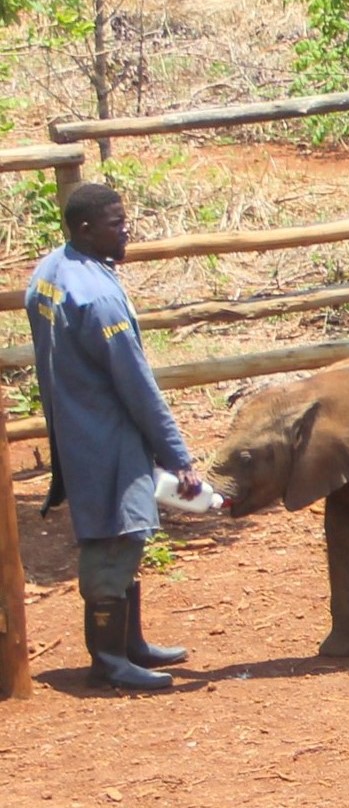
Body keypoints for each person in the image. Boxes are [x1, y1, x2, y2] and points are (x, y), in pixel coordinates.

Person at [25, 183, 208, 691]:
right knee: (115, 536)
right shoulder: (101, 298)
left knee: (125, 530)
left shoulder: (49, 272)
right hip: (106, 433)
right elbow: (137, 385)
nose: (126, 229)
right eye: (115, 222)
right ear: (86, 229)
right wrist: (178, 457)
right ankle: (108, 659)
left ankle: (130, 642)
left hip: (74, 422)